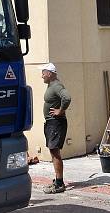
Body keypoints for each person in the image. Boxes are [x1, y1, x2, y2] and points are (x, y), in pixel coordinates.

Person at [41, 62, 71, 194]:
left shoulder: (56, 85)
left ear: (50, 73)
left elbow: (67, 97)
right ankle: (58, 180)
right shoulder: (51, 86)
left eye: (43, 73)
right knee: (53, 151)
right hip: (51, 123)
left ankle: (59, 183)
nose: (41, 76)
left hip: (56, 123)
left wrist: (61, 110)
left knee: (54, 151)